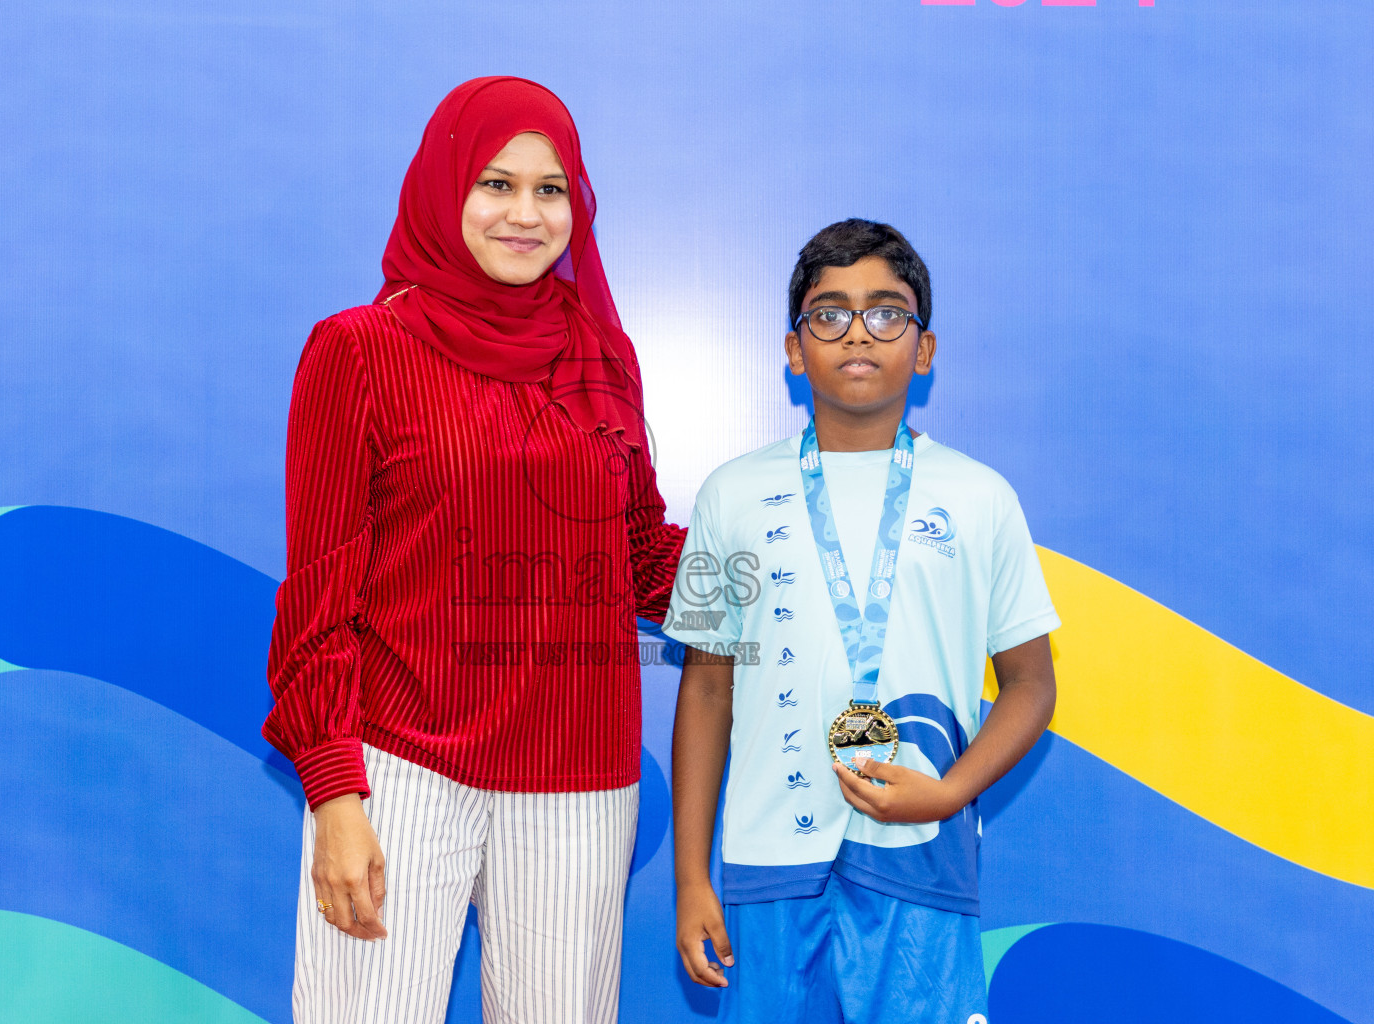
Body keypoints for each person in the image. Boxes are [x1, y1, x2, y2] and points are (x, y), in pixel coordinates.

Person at [262, 77, 684, 1024]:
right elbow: (320, 596)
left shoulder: (601, 357)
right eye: (496, 183)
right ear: (443, 188)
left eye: (551, 190)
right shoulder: (358, 350)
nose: (525, 215)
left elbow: (644, 561)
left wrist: (796, 553)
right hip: (400, 771)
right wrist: (335, 793)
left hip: (580, 779)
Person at [664, 219, 1059, 1022]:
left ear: (924, 349)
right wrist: (691, 877)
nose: (857, 333)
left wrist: (947, 792)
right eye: (829, 312)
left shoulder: (982, 498)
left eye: (887, 313)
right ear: (791, 347)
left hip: (921, 858)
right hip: (768, 864)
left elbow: (1031, 686)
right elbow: (706, 693)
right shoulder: (726, 494)